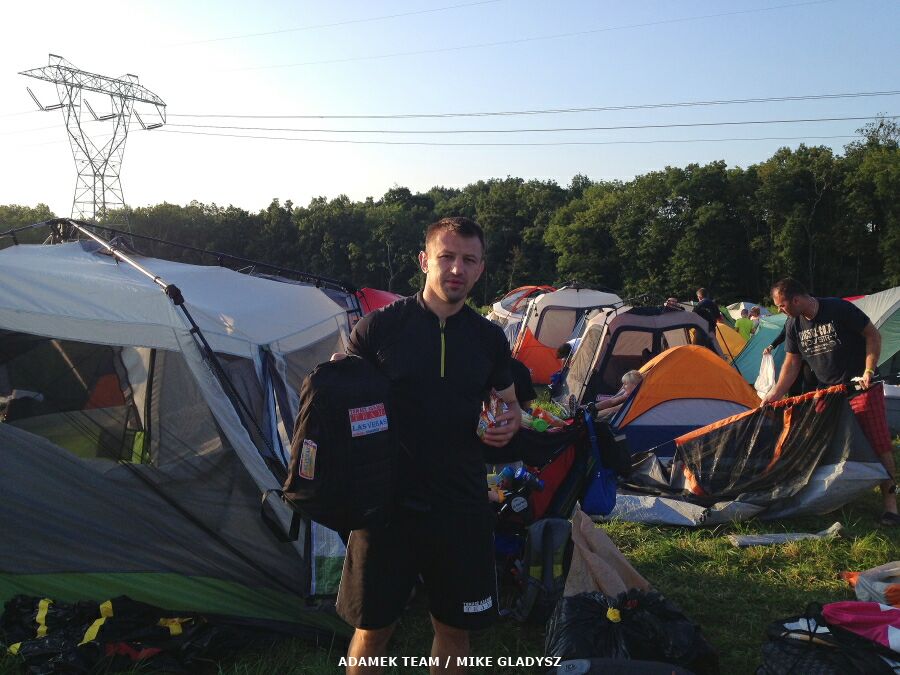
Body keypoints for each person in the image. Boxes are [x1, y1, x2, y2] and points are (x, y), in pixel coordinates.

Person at [336, 217, 522, 674]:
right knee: (373, 629)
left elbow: (510, 405)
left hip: (459, 502)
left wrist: (507, 424)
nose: (457, 268)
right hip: (386, 505)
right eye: (447, 256)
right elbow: (334, 404)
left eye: (469, 260)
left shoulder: (489, 338)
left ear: (480, 270)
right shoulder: (377, 329)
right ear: (424, 261)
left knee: (455, 629)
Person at [760, 278, 897, 525]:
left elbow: (872, 335)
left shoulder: (838, 308)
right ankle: (834, 495)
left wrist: (868, 369)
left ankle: (890, 505)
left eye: (781, 305)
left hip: (859, 386)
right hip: (828, 392)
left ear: (796, 299)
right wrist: (774, 394)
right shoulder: (793, 325)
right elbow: (792, 364)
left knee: (879, 444)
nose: (780, 310)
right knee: (822, 443)